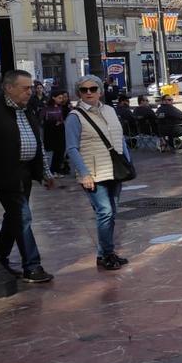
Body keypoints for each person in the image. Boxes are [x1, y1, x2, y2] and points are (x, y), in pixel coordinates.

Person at [0, 69, 55, 283]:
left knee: (14, 217)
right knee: (23, 216)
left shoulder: (26, 109)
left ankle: (0, 258)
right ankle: (32, 266)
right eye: (25, 88)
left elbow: (38, 143)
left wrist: (45, 172)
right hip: (3, 172)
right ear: (9, 88)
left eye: (31, 87)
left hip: (25, 172)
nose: (30, 91)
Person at [65, 75, 131, 270]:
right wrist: (84, 174)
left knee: (112, 213)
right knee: (105, 212)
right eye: (84, 90)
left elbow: (120, 138)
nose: (88, 93)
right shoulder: (74, 117)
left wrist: (127, 161)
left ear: (100, 91)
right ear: (79, 93)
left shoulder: (110, 110)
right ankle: (107, 254)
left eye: (93, 89)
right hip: (93, 172)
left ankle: (104, 254)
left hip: (114, 170)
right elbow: (72, 148)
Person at [41, 89, 71, 177]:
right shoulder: (47, 107)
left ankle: (56, 170)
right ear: (53, 98)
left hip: (60, 131)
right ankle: (53, 170)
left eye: (63, 98)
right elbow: (42, 119)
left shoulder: (63, 107)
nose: (61, 99)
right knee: (57, 151)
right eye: (59, 98)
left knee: (60, 151)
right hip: (52, 132)